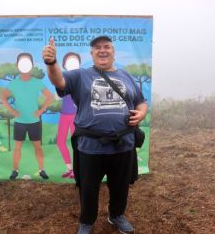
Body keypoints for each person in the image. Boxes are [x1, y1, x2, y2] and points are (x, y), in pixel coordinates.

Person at [42, 36, 148, 234]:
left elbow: (141, 101)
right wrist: (51, 62)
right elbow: (59, 80)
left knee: (120, 186)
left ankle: (116, 215)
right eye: (97, 48)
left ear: (113, 52)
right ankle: (87, 222)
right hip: (90, 147)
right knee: (88, 189)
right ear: (91, 54)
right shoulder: (81, 75)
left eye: (107, 47)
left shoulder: (126, 76)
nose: (102, 50)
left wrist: (141, 113)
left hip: (123, 144)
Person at [1, 53, 53, 180]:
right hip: (19, 122)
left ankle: (42, 170)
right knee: (17, 147)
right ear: (18, 66)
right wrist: (12, 111)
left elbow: (50, 96)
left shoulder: (37, 82)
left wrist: (41, 110)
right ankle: (15, 170)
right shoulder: (14, 83)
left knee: (37, 147)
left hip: (34, 121)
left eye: (27, 63)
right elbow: (3, 97)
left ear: (32, 66)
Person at [57, 52, 81, 179]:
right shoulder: (62, 77)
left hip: (75, 115)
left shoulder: (82, 77)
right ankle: (70, 168)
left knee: (77, 143)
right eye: (69, 61)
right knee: (60, 141)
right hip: (63, 114)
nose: (72, 63)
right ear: (64, 65)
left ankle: (77, 170)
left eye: (75, 61)